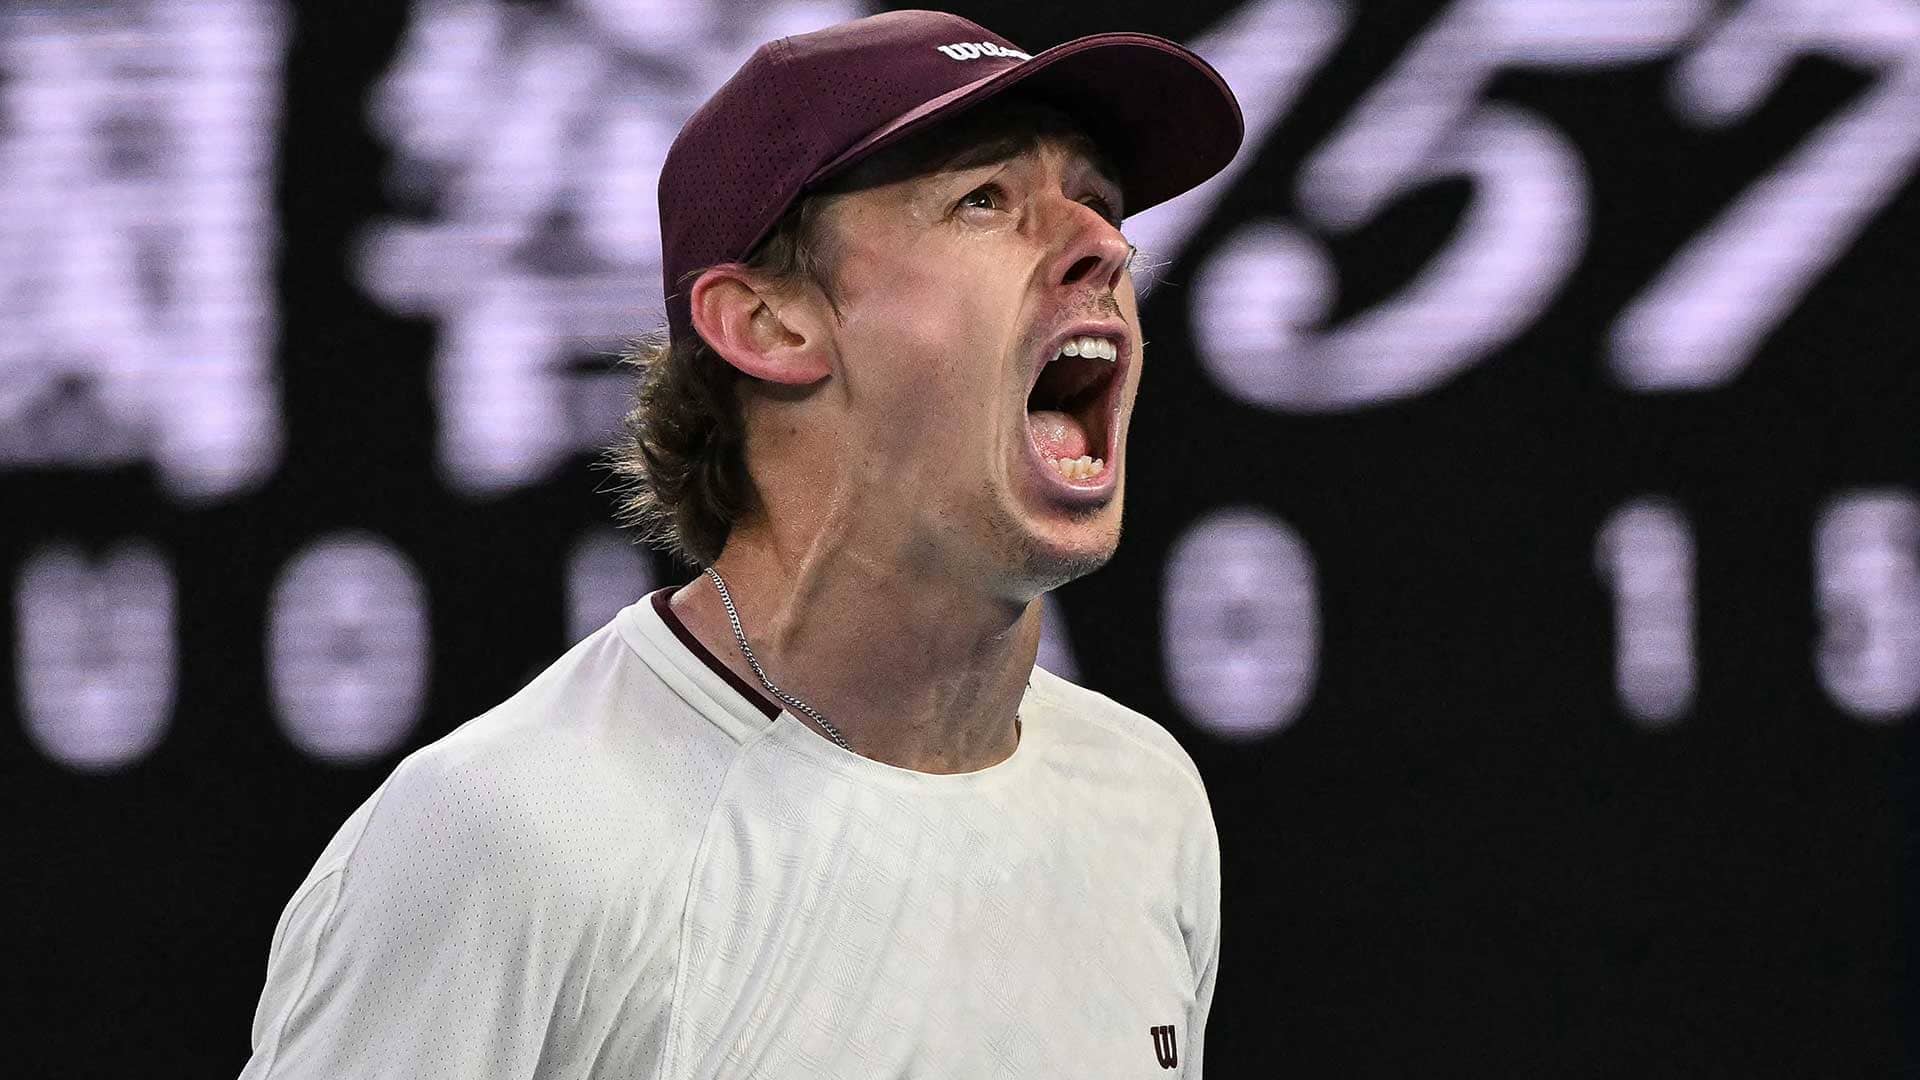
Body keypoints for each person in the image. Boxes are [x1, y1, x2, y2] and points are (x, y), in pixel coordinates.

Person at [238, 9, 1242, 1078]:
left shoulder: (1147, 806)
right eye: (984, 200)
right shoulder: (503, 841)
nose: (1103, 244)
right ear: (767, 325)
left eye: (1095, 202)